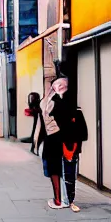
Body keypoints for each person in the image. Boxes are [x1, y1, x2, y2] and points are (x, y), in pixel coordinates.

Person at [40, 77, 73, 210]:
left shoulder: (51, 101)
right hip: (61, 139)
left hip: (53, 139)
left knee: (55, 169)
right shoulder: (62, 100)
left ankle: (59, 200)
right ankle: (64, 198)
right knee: (65, 169)